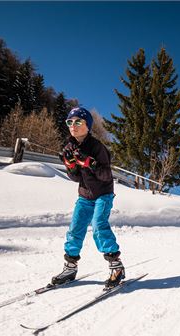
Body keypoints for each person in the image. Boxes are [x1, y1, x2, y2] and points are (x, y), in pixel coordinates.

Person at [52, 107, 125, 290]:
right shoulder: (69, 147)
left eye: (78, 122)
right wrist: (70, 166)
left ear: (88, 126)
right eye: (70, 122)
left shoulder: (97, 147)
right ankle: (70, 268)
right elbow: (76, 178)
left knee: (99, 225)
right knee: (75, 228)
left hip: (103, 194)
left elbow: (106, 176)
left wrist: (90, 163)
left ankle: (116, 267)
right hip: (85, 195)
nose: (73, 126)